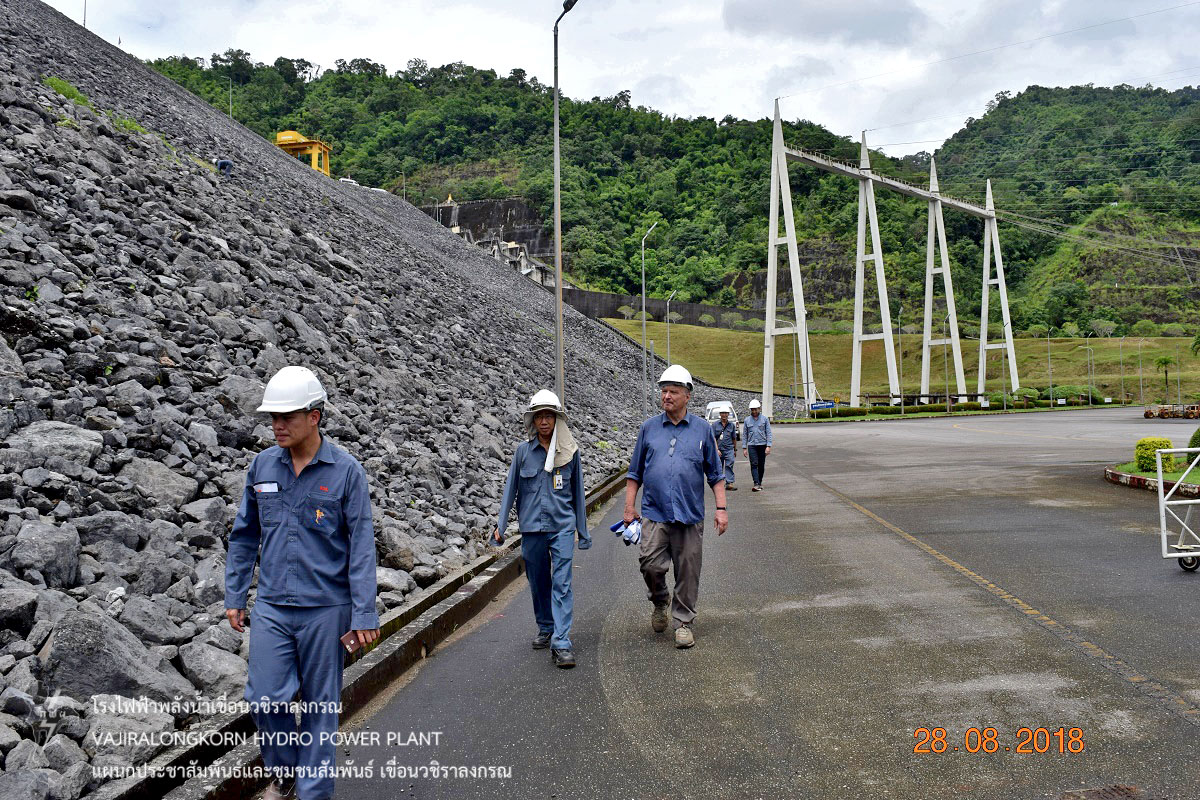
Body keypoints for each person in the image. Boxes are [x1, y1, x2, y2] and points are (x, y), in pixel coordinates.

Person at [225, 366, 379, 800]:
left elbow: (362, 546)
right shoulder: (262, 466)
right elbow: (244, 535)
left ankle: (313, 793)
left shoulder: (346, 472)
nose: (277, 425)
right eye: (272, 417)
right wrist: (236, 593)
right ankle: (285, 770)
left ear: (314, 416)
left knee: (319, 709)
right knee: (264, 699)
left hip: (326, 610)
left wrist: (364, 612)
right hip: (273, 606)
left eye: (287, 416)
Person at [624, 365, 727, 649]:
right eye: (664, 391)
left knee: (688, 571)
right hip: (654, 513)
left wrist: (721, 509)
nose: (666, 396)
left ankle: (683, 623)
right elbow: (634, 473)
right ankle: (660, 600)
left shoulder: (702, 429)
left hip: (689, 515)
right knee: (650, 564)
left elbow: (715, 474)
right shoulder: (648, 428)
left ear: (687, 396)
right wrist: (629, 508)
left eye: (673, 391)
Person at [492, 390, 591, 668]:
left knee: (562, 583)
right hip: (532, 528)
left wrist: (582, 533)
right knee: (538, 581)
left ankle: (562, 643)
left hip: (562, 527)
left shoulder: (570, 453)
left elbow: (578, 494)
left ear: (557, 419)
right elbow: (510, 489)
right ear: (533, 421)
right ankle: (546, 626)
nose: (544, 421)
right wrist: (501, 526)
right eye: (539, 416)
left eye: (549, 416)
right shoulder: (523, 452)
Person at [742, 398, 773, 492]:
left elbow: (768, 433)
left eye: (756, 409)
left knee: (761, 465)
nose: (754, 411)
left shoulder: (765, 419)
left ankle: (759, 482)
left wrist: (768, 446)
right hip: (752, 445)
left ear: (759, 409)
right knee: (754, 464)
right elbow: (745, 435)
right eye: (752, 410)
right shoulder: (747, 420)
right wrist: (744, 448)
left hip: (762, 444)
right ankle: (756, 483)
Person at [711, 408, 738, 491]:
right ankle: (719, 483)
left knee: (729, 465)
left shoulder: (731, 425)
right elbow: (713, 438)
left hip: (729, 449)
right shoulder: (715, 425)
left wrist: (735, 449)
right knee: (719, 467)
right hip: (719, 449)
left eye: (726, 413)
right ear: (720, 414)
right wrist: (716, 449)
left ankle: (729, 483)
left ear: (728, 414)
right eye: (722, 413)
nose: (724, 415)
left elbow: (734, 438)